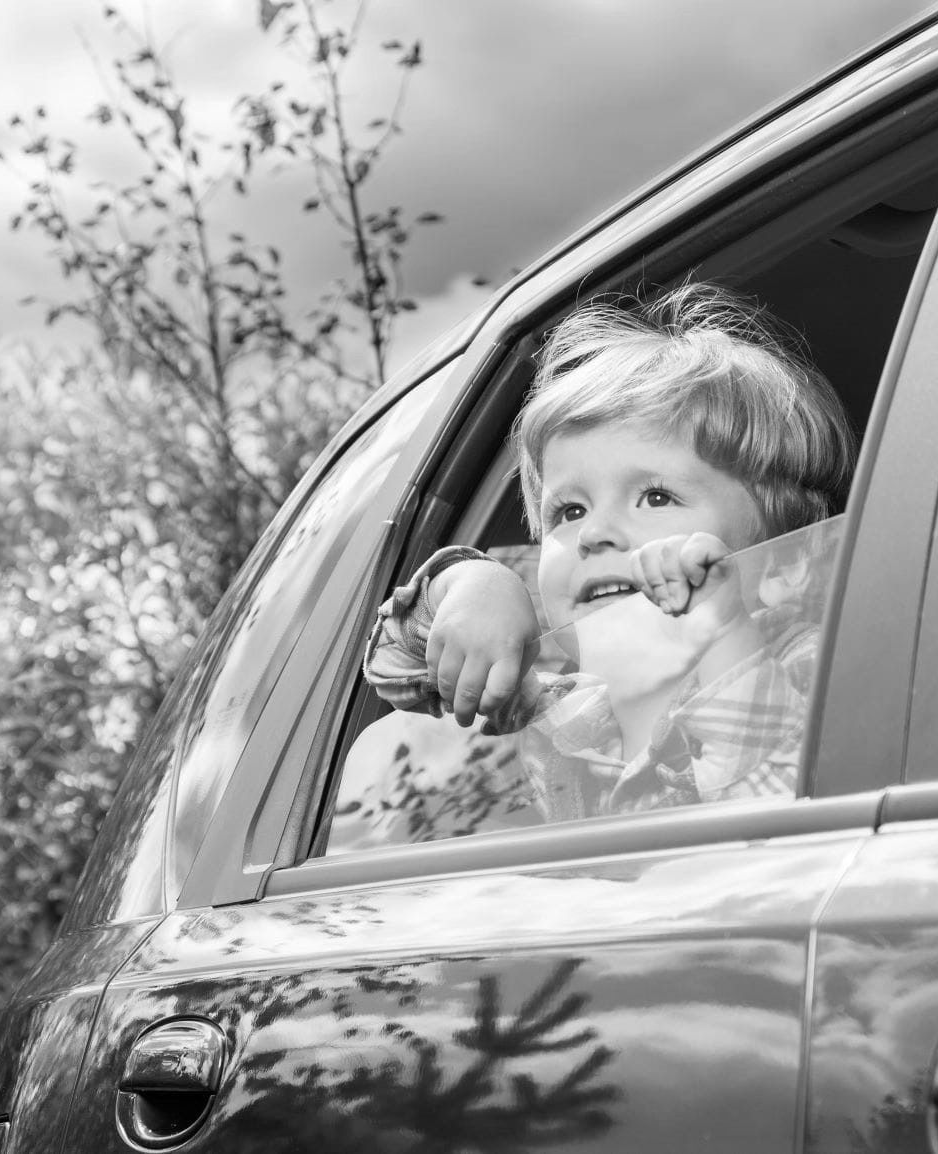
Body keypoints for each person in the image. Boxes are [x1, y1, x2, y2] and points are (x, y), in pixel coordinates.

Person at [362, 283, 855, 824]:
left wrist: (723, 634)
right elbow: (395, 666)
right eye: (569, 511)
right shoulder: (554, 706)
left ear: (785, 563)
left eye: (656, 496)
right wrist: (473, 585)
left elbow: (784, 817)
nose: (594, 532)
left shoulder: (821, 668)